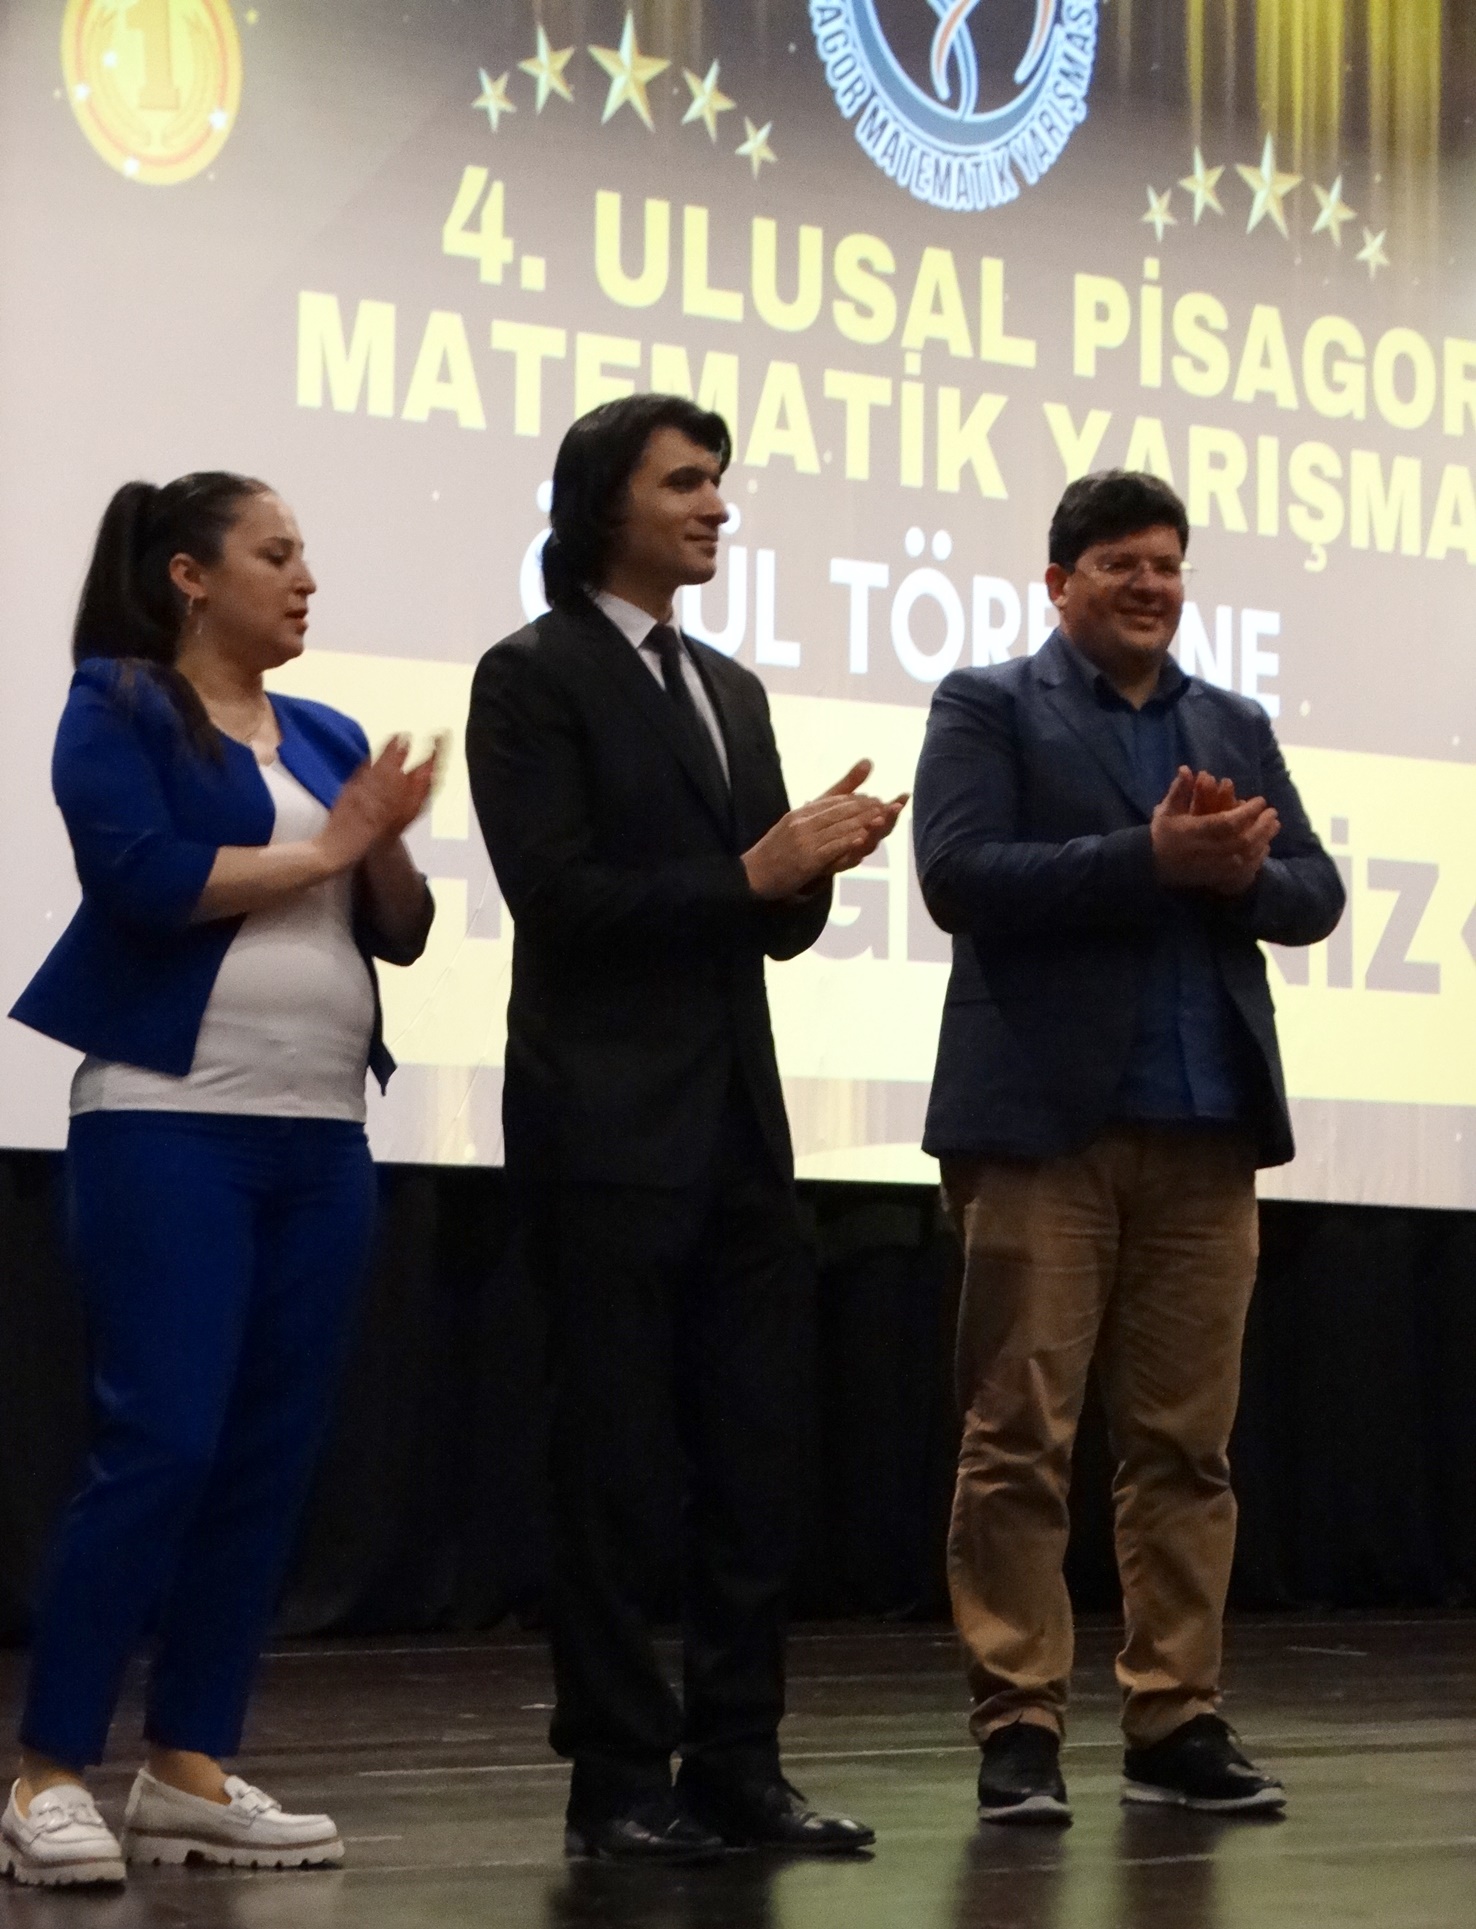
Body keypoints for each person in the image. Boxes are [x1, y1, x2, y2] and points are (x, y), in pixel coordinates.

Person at [466, 394, 903, 1863]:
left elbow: (765, 926)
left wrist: (811, 867)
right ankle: (614, 1780)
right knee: (611, 1471)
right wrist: (752, 871)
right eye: (686, 482)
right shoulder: (532, 674)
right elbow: (559, 901)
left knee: (753, 1460)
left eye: (720, 481)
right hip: (602, 1132)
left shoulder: (731, 687)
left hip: (737, 1135)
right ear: (606, 504)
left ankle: (737, 1764)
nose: (717, 505)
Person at [3, 472, 437, 1886]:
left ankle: (187, 1764)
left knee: (269, 1454)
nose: (305, 578)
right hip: (169, 1125)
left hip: (322, 1138)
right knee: (164, 1444)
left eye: (305, 553)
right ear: (190, 576)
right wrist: (331, 843)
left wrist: (379, 847)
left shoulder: (324, 733)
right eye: (275, 553)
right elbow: (141, 882)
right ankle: (47, 1770)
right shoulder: (120, 702)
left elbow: (402, 928)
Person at [912, 471, 1344, 1825]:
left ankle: (1175, 1717)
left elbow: (1316, 892)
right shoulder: (987, 704)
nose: (1150, 584)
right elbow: (959, 875)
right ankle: (1019, 1723)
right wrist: (1148, 858)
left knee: (1186, 1448)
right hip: (1043, 1127)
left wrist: (1241, 873)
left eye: (1166, 563)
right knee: (1018, 1437)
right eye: (1119, 563)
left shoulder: (1233, 722)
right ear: (1059, 583)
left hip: (1207, 1127)